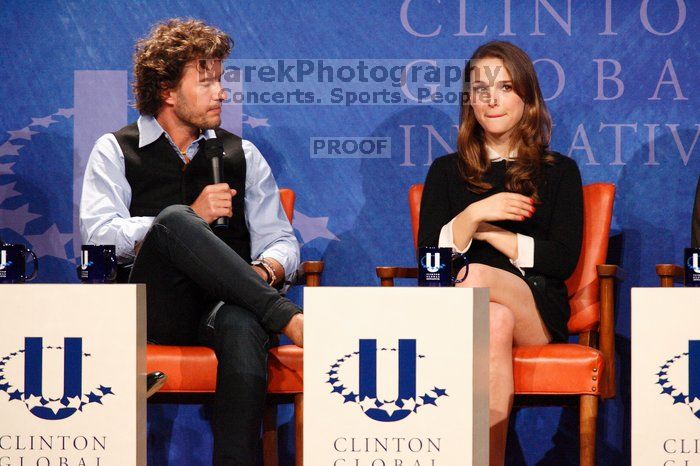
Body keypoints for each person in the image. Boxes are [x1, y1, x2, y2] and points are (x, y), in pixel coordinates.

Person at [79, 18, 303, 465]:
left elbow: (282, 240)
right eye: (207, 83)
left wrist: (266, 271)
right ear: (166, 90)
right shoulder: (115, 150)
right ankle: (288, 317)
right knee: (175, 219)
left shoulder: (243, 155)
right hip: (151, 308)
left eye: (220, 81)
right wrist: (186, 220)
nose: (222, 93)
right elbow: (98, 236)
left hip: (225, 307)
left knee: (243, 323)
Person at [418, 41, 583, 465]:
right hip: (469, 316)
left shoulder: (558, 171)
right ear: (469, 101)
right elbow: (429, 267)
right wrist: (474, 214)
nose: (492, 99)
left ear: (526, 97)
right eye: (480, 89)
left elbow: (562, 259)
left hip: (536, 307)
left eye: (505, 86)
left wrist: (497, 236)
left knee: (472, 278)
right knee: (491, 318)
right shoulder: (445, 172)